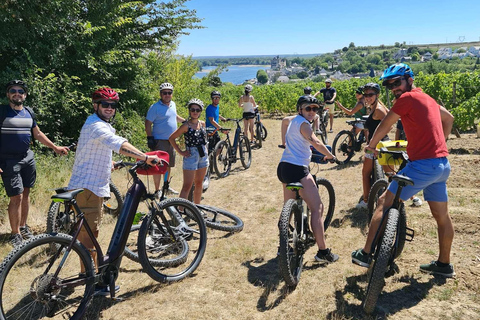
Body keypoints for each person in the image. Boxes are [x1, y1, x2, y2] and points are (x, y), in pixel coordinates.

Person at [351, 63, 456, 278]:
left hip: (423, 164)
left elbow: (386, 125)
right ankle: (444, 265)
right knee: (442, 217)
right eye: (389, 85)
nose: (393, 88)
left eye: (396, 82)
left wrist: (371, 146)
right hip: (442, 165)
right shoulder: (428, 98)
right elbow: (450, 118)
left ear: (409, 79)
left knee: (384, 201)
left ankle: (366, 253)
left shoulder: (406, 99)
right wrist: (440, 143)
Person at [68, 87, 160, 295]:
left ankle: (88, 276)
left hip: (89, 186)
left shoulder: (97, 125)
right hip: (88, 189)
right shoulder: (96, 125)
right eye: (105, 104)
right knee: (89, 238)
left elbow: (100, 148)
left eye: (113, 105)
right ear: (96, 106)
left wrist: (113, 162)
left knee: (88, 235)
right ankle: (93, 284)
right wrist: (145, 157)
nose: (109, 108)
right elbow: (118, 143)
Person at [0, 80, 70, 247]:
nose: (17, 93)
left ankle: (23, 227)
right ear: (8, 94)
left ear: (25, 95)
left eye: (20, 91)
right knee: (16, 196)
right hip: (8, 160)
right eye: (13, 91)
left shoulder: (29, 112)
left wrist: (55, 147)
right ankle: (15, 234)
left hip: (27, 158)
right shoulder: (2, 111)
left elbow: (37, 134)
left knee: (26, 193)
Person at [277, 95, 338, 264]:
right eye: (308, 108)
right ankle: (323, 252)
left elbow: (300, 140)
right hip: (298, 169)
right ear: (300, 109)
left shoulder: (294, 121)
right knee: (317, 208)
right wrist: (330, 156)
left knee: (286, 208)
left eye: (314, 109)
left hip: (284, 167)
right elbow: (315, 141)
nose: (312, 112)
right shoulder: (304, 124)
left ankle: (282, 244)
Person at [145, 83, 185, 197]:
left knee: (168, 165)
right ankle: (157, 190)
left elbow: (175, 117)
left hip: (171, 141)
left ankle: (166, 186)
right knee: (157, 166)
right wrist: (150, 137)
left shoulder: (173, 104)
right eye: (164, 93)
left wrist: (185, 122)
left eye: (169, 92)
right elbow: (148, 123)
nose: (167, 95)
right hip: (159, 141)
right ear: (160, 94)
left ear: (172, 94)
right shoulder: (155, 107)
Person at [355, 83, 390, 210]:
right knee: (390, 173)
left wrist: (374, 143)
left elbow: (389, 125)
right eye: (365, 95)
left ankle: (366, 201)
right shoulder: (375, 107)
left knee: (366, 173)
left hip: (376, 146)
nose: (367, 97)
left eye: (371, 95)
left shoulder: (379, 109)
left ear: (377, 95)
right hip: (379, 144)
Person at [169, 99, 208, 204]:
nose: (195, 112)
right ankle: (180, 212)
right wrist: (181, 152)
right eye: (193, 109)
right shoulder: (186, 126)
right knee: (187, 186)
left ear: (200, 111)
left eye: (197, 110)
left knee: (199, 183)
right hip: (191, 155)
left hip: (202, 155)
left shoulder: (202, 124)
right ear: (189, 111)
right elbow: (171, 138)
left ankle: (197, 208)